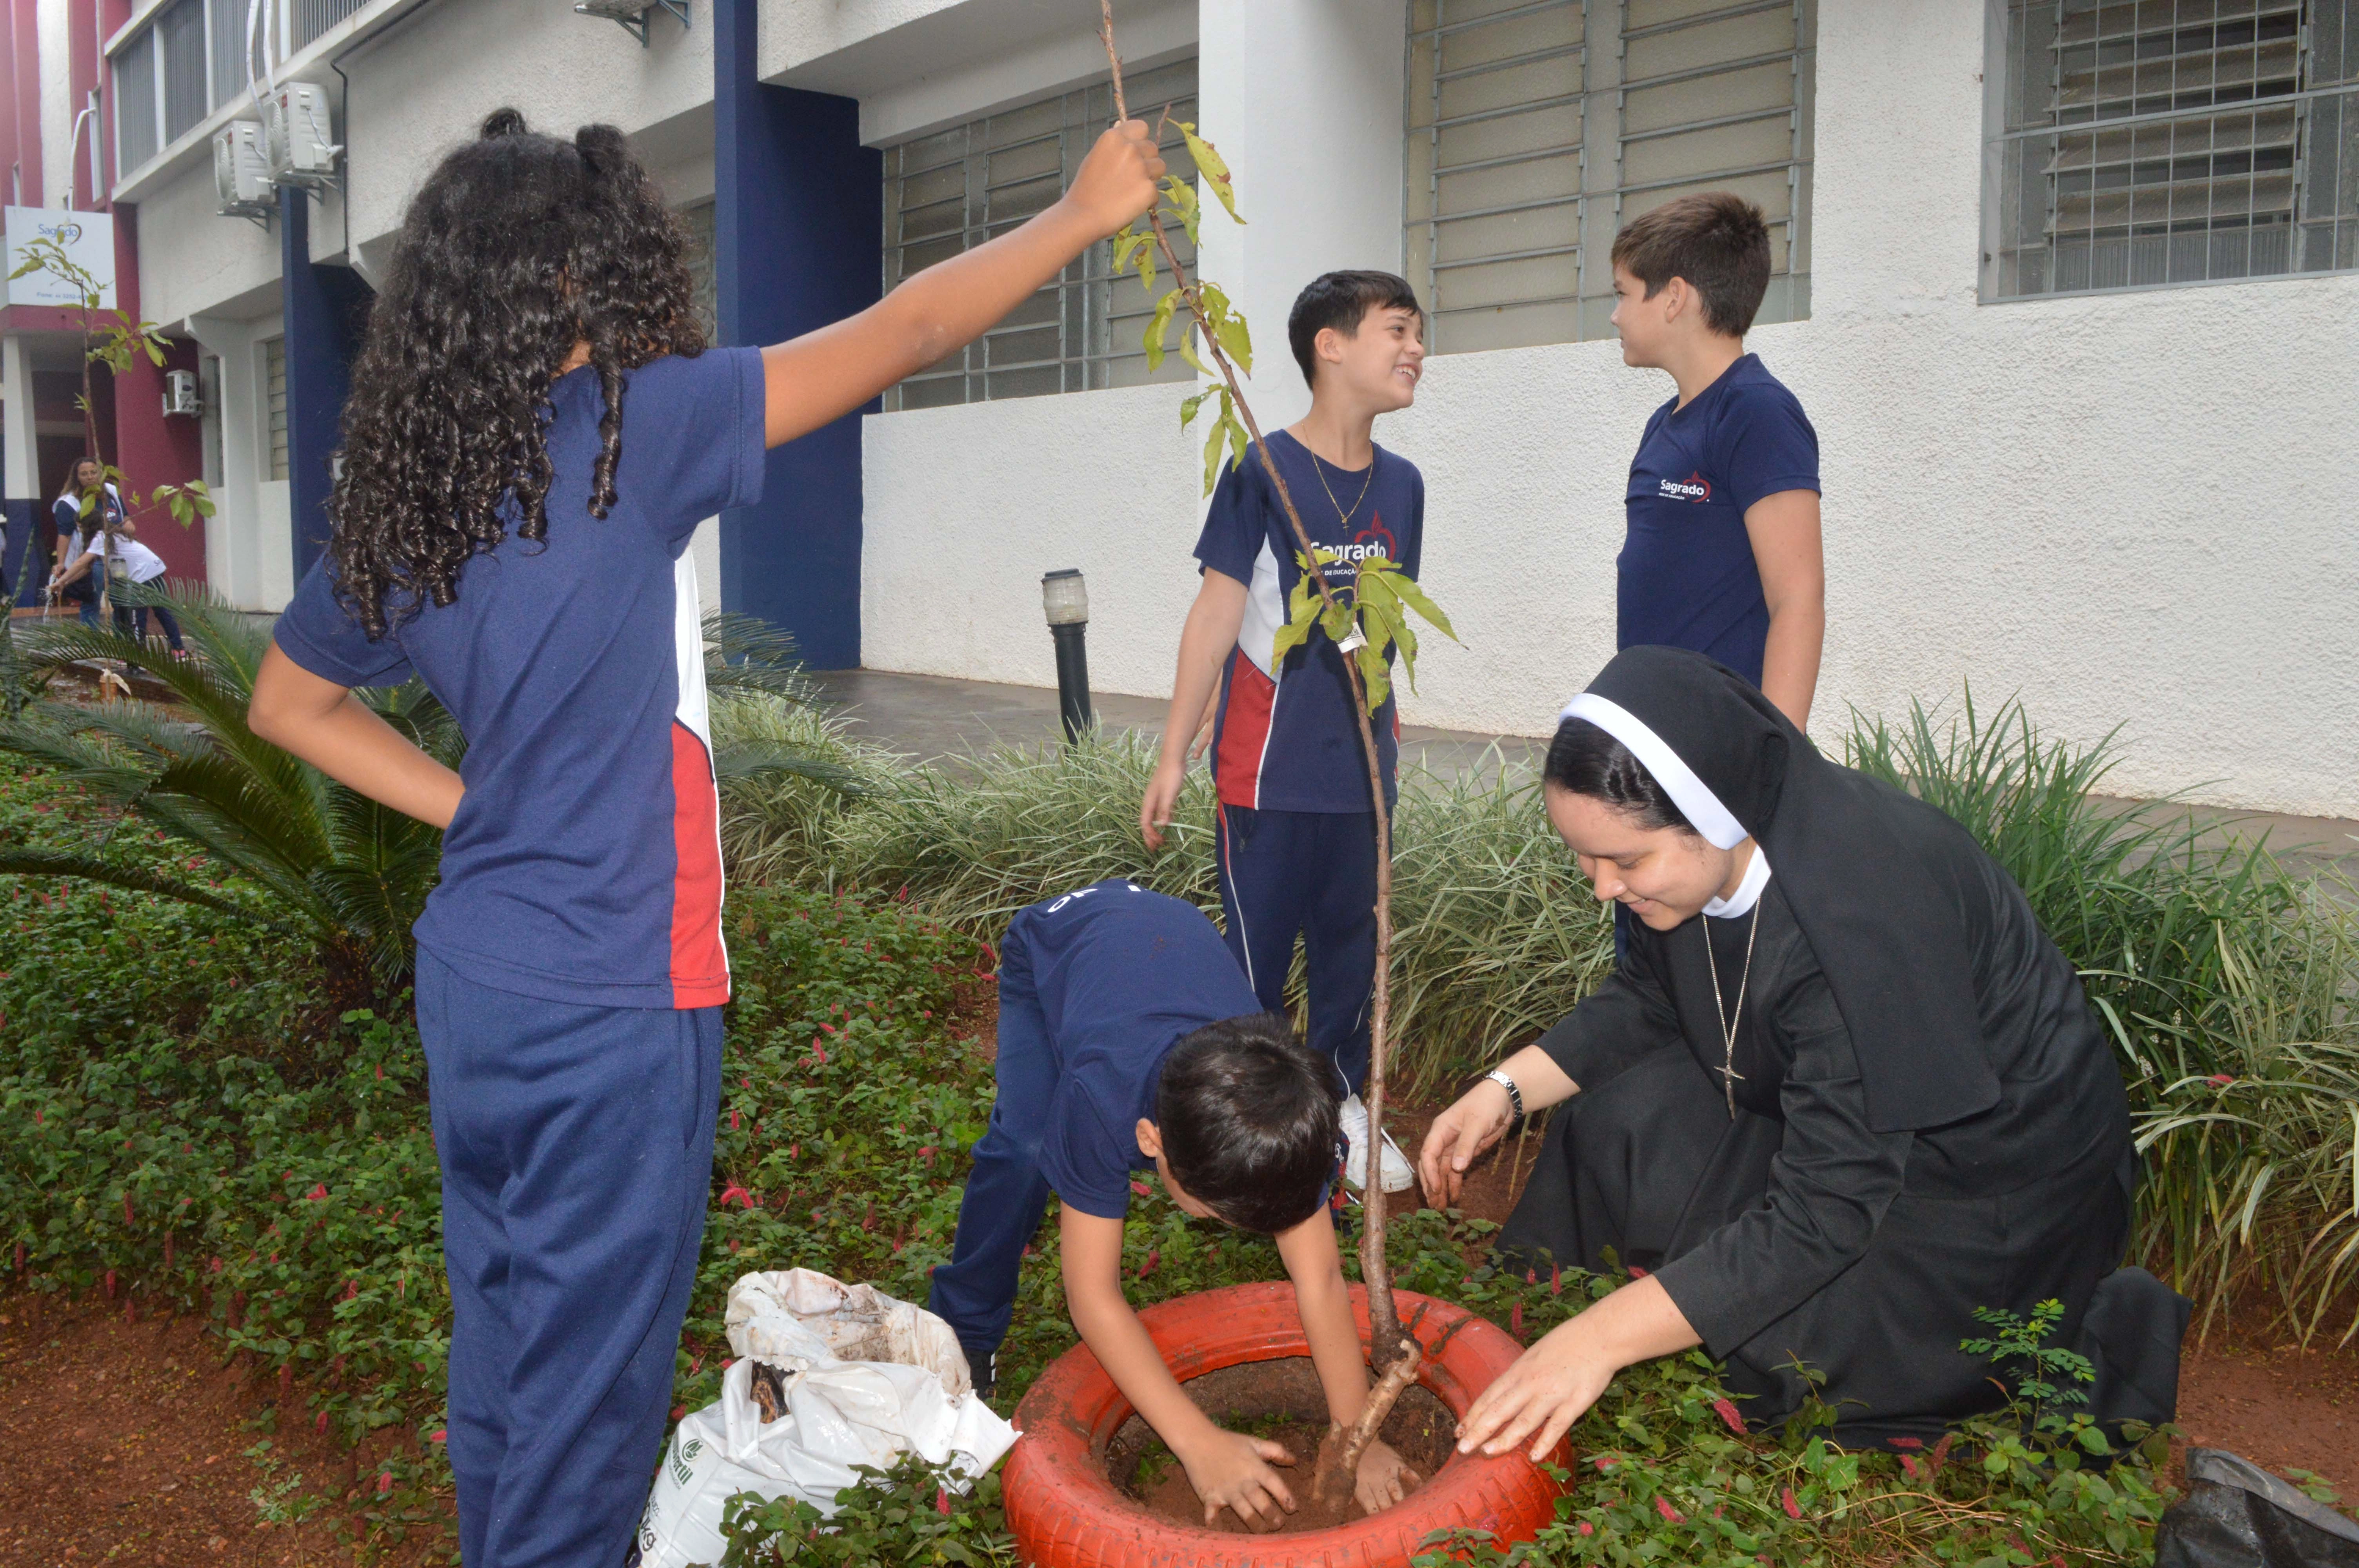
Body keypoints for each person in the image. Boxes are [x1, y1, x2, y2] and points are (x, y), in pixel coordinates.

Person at [244, 109, 1162, 1568]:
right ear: (562, 282)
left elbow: (286, 701)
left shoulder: (406, 492)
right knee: (588, 1407)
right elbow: (909, 323)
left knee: (504, 1349)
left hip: (475, 984)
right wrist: (1072, 216)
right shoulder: (629, 426)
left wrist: (473, 809)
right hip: (616, 993)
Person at [1419, 647, 2184, 1459]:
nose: (1601, 886)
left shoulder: (1855, 917)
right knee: (1610, 1121)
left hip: (1986, 1179)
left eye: (1625, 860)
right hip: (1838, 1114)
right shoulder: (1700, 864)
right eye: (1583, 856)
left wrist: (1597, 1340)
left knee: (1772, 1356)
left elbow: (1826, 1210)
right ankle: (1639, 1301)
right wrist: (1503, 1090)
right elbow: (1648, 997)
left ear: (1712, 814)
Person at [925, 878, 1416, 1525]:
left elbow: (1321, 1274)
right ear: (1150, 1141)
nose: (1230, 1227)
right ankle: (966, 1331)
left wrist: (1356, 1434)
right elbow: (1093, 1297)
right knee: (1025, 1148)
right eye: (1217, 1211)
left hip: (1162, 941)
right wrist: (1197, 1441)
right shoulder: (1100, 1102)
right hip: (1056, 949)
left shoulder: (1281, 1115)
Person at [1138, 270, 1428, 1195]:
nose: (1417, 349)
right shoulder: (1262, 470)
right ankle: (1238, 1134)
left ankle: (1339, 1108)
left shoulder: (1406, 488)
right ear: (1330, 346)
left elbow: (1388, 632)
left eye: (1418, 332)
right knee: (1252, 974)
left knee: (1350, 961)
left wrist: (1390, 752)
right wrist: (1173, 751)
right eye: (1398, 330)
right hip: (1262, 777)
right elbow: (1218, 613)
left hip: (1360, 785)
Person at [1610, 194, 1822, 731]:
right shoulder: (1664, 423)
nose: (1615, 315)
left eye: (1624, 294)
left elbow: (1798, 601)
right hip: (1657, 731)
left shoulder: (1757, 412)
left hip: (1720, 739)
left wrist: (1778, 761)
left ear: (1674, 298)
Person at [48, 458, 187, 653]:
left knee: (130, 608)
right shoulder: (71, 503)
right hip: (143, 566)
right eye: (84, 474)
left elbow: (82, 562)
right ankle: (138, 649)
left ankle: (134, 654)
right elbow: (84, 564)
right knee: (115, 603)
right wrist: (63, 581)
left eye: (93, 472)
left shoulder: (102, 526)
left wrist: (61, 580)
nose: (90, 477)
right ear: (76, 477)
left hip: (139, 570)